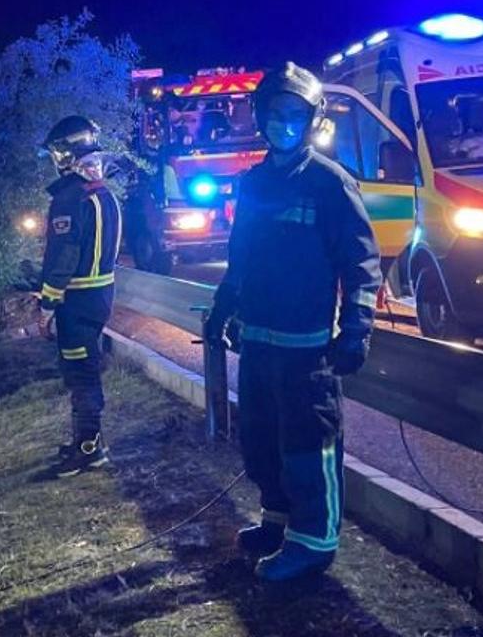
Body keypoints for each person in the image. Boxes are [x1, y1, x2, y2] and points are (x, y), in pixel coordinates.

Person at [206, 62, 382, 582]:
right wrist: (222, 309)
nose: (283, 122)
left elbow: (361, 263)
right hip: (258, 344)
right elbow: (240, 258)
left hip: (308, 349)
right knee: (262, 440)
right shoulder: (256, 182)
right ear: (260, 117)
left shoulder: (330, 183)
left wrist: (357, 328)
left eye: (294, 113)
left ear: (312, 119)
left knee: (309, 443)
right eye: (275, 113)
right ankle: (278, 521)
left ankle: (315, 543)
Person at [37, 115, 122, 479]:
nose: (56, 158)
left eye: (58, 150)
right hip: (99, 294)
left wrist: (48, 303)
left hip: (77, 300)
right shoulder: (103, 192)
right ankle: (85, 440)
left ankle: (89, 447)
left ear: (70, 151)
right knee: (84, 367)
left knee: (80, 372)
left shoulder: (70, 197)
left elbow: (64, 255)